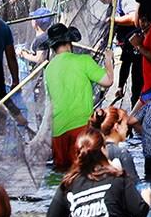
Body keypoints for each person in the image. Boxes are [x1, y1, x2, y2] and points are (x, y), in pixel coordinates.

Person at [42, 22, 112, 170]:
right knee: (86, 172)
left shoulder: (48, 69)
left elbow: (49, 102)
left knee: (63, 176)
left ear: (52, 47)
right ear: (69, 42)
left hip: (57, 132)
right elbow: (108, 81)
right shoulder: (83, 61)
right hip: (81, 129)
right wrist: (108, 60)